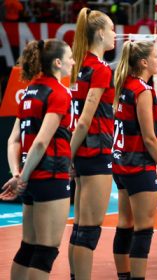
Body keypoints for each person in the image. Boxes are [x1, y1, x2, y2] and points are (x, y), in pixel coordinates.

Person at [0, 39, 74, 279]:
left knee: (28, 246)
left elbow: (13, 140)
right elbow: (42, 141)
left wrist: (18, 175)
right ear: (58, 63)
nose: (74, 61)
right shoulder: (59, 92)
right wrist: (24, 177)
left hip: (31, 177)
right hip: (50, 176)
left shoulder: (29, 91)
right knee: (46, 250)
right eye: (70, 57)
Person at [112, 40, 157, 280]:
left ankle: (124, 277)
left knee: (125, 224)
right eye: (156, 57)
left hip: (120, 163)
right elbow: (149, 137)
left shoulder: (122, 85)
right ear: (144, 62)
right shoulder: (142, 90)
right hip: (138, 165)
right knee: (143, 229)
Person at [68, 7, 116, 280]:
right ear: (99, 33)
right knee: (88, 230)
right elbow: (85, 120)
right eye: (111, 29)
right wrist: (68, 157)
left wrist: (72, 155)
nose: (115, 35)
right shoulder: (98, 69)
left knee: (80, 228)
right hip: (96, 152)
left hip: (84, 153)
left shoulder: (80, 65)